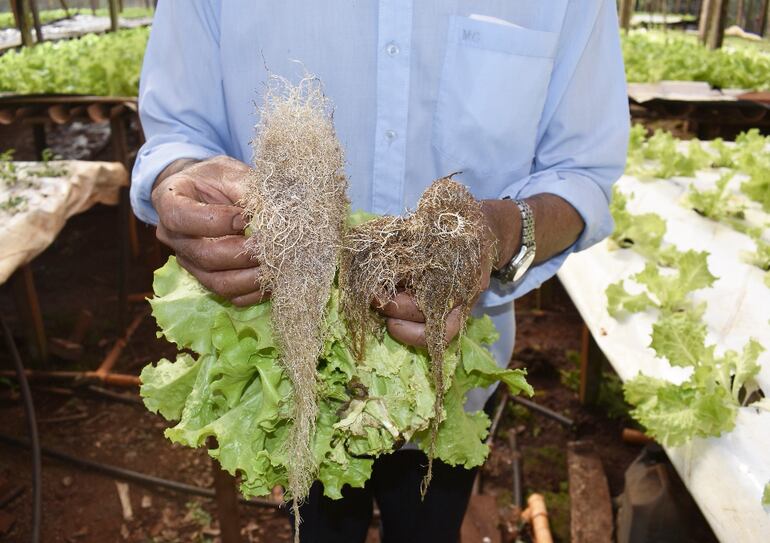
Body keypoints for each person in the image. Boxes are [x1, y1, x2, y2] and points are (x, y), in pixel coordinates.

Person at [131, 1, 629, 542]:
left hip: (447, 380)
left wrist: (502, 230)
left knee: (428, 527)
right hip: (291, 368)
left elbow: (581, 173)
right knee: (317, 526)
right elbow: (177, 134)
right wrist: (181, 176)